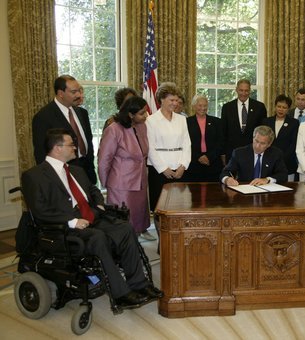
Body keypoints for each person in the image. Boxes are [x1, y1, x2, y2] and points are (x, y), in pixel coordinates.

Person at [22, 128, 162, 307]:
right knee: (98, 237)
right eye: (71, 145)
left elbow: (93, 190)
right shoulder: (34, 176)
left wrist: (99, 203)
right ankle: (121, 294)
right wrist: (71, 221)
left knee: (125, 228)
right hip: (65, 227)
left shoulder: (76, 170)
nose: (75, 148)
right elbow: (40, 210)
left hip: (91, 217)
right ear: (57, 148)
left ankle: (140, 285)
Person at [98, 96, 154, 241]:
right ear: (130, 114)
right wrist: (106, 184)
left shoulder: (142, 126)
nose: (146, 115)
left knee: (137, 218)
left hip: (140, 181)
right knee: (123, 222)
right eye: (142, 113)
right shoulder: (114, 129)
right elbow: (104, 159)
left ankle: (133, 248)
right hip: (121, 184)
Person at [32, 75, 97, 184]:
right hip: (62, 175)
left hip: (87, 172)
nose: (79, 95)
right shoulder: (44, 116)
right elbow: (40, 152)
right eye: (74, 92)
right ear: (61, 93)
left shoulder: (82, 113)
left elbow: (88, 142)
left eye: (79, 91)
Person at [146, 82, 191, 212]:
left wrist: (183, 166)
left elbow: (187, 144)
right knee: (160, 207)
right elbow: (150, 147)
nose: (175, 103)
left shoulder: (182, 120)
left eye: (177, 100)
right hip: (159, 171)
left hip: (180, 170)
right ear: (161, 100)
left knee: (180, 205)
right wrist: (163, 169)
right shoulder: (150, 120)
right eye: (171, 100)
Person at [220, 125, 288, 186]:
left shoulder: (276, 154)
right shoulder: (239, 153)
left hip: (266, 192)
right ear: (253, 138)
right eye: (256, 141)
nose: (257, 146)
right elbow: (225, 172)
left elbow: (283, 174)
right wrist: (227, 179)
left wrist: (267, 179)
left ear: (269, 144)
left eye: (262, 143)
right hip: (245, 191)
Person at [220, 79, 267, 164]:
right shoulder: (227, 108)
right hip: (232, 152)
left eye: (246, 91)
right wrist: (223, 153)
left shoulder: (259, 107)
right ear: (236, 90)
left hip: (254, 151)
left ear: (250, 91)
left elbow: (263, 131)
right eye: (241, 90)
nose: (243, 93)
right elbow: (223, 132)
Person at [184, 94, 224, 182]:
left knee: (213, 193)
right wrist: (198, 157)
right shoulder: (186, 122)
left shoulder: (217, 122)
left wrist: (209, 157)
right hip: (194, 164)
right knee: (195, 193)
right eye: (200, 105)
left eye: (205, 105)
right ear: (194, 106)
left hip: (213, 163)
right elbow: (185, 143)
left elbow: (221, 142)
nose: (203, 108)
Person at [263, 95, 299, 181]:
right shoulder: (266, 121)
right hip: (269, 162)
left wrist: (281, 158)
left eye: (284, 107)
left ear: (288, 109)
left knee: (288, 191)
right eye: (279, 106)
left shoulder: (294, 123)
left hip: (287, 163)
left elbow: (293, 144)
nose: (281, 109)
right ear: (275, 107)